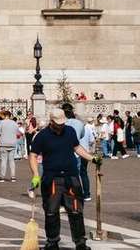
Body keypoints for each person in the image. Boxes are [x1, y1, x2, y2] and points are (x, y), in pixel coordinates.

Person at [29, 103, 92, 250]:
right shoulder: (42, 136)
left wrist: (91, 158)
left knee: (76, 210)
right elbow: (33, 155)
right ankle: (52, 241)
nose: (61, 126)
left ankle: (80, 241)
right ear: (51, 122)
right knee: (51, 211)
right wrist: (36, 175)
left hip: (71, 177)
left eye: (62, 123)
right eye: (58, 124)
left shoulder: (69, 131)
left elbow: (77, 147)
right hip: (52, 178)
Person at [0, 110, 23, 182]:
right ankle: (13, 176)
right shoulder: (14, 123)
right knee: (12, 161)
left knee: (4, 160)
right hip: (12, 143)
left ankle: (2, 177)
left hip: (3, 143)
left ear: (5, 116)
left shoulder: (1, 122)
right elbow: (18, 133)